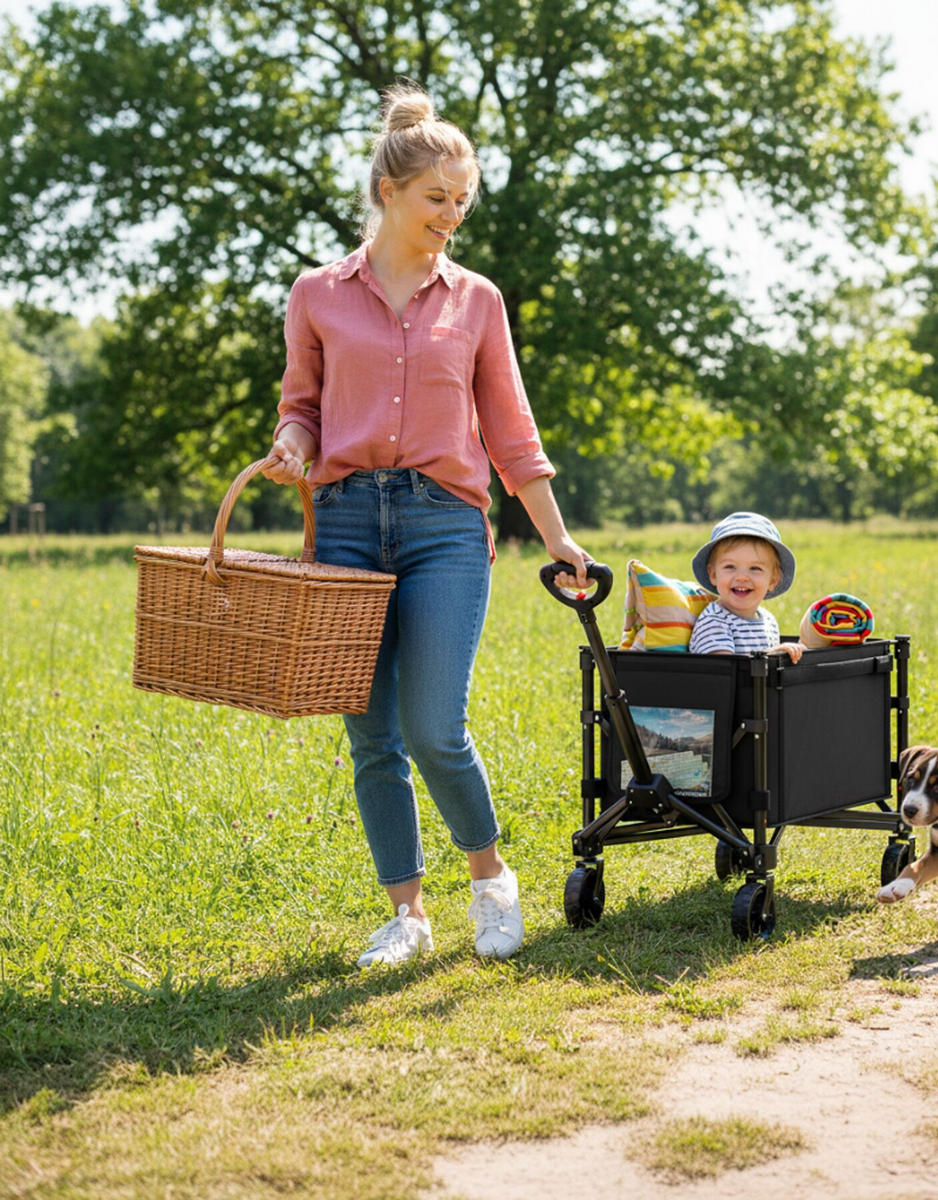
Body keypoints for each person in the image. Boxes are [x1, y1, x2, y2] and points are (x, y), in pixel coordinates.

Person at [262, 83, 590, 967]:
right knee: (370, 730)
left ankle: (491, 880)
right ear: (389, 193)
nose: (452, 215)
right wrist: (293, 441)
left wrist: (556, 536)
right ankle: (406, 915)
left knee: (434, 724)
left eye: (462, 200)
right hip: (344, 526)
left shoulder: (477, 300)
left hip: (445, 523)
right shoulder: (317, 294)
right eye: (437, 198)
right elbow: (301, 408)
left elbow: (510, 429)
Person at [688, 512, 804, 663]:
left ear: (773, 580)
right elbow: (726, 672)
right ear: (713, 574)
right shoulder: (715, 621)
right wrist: (773, 656)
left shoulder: (768, 621)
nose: (742, 577)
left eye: (755, 568)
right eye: (730, 566)